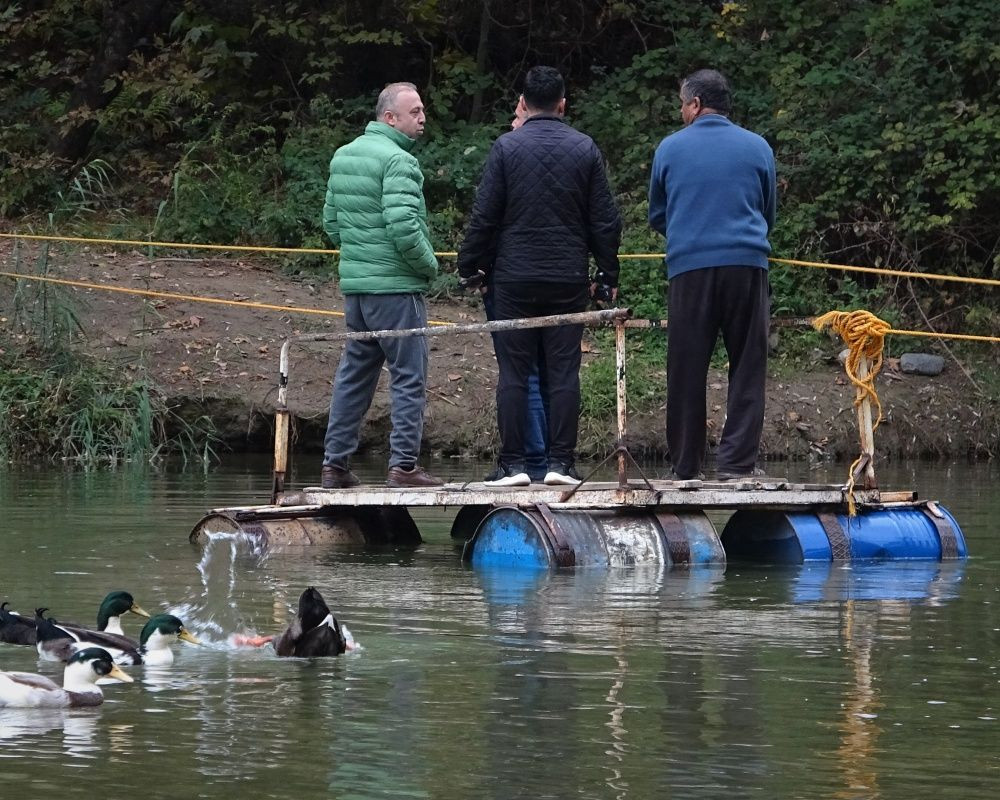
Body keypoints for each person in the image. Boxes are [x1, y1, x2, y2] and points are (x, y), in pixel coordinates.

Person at [458, 66, 622, 487]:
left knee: (514, 372)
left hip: (513, 279)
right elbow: (605, 221)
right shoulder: (584, 148)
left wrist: (469, 265)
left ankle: (513, 465)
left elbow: (485, 216)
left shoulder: (506, 148)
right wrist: (606, 274)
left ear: (524, 104)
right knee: (564, 372)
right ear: (563, 104)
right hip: (568, 278)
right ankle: (561, 464)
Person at [647, 68, 777, 481]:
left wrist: (690, 232)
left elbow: (658, 214)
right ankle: (736, 463)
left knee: (686, 366)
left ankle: (685, 466)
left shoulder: (669, 149)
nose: (682, 112)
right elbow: (767, 211)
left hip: (690, 267)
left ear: (696, 104)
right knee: (747, 364)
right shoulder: (758, 147)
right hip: (747, 263)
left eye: (684, 105)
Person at [319, 82, 443, 489]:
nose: (422, 118)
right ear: (390, 118)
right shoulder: (399, 162)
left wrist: (361, 257)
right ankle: (404, 466)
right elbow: (405, 228)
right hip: (397, 290)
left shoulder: (343, 156)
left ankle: (334, 465)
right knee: (409, 377)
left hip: (357, 291)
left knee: (355, 375)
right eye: (415, 112)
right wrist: (429, 268)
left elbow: (331, 224)